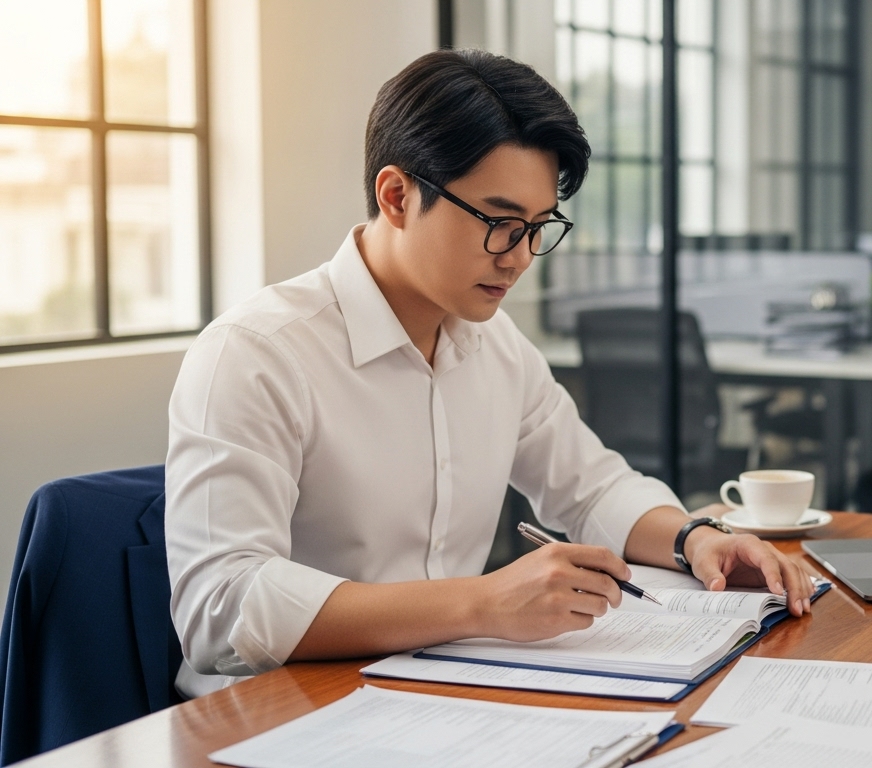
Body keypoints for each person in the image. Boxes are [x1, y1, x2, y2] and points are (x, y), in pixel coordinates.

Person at [165, 49, 810, 697]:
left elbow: (590, 489)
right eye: (500, 224)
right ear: (396, 196)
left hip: (446, 693)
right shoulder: (256, 354)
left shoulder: (494, 345)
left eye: (537, 227)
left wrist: (696, 539)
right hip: (282, 711)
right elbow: (219, 607)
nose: (521, 258)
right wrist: (481, 604)